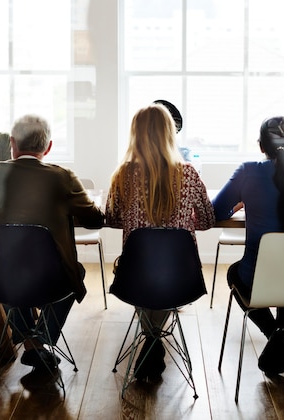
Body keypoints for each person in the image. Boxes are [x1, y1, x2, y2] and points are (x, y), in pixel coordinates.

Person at [0, 114, 104, 370]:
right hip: (49, 281)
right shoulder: (62, 177)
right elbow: (95, 220)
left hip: (0, 278)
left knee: (10, 271)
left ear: (13, 144)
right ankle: (39, 340)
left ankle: (30, 341)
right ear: (48, 147)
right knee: (76, 273)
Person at [106, 103, 215, 381]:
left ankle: (151, 342)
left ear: (135, 134)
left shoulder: (123, 174)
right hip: (181, 273)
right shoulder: (189, 173)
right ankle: (153, 344)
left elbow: (112, 219)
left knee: (142, 271)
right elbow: (206, 221)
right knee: (164, 276)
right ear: (170, 134)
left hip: (135, 272)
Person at [212, 116, 284, 376]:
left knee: (234, 273)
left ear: (262, 146)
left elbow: (216, 211)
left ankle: (275, 335)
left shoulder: (249, 171)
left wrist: (241, 202)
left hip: (260, 277)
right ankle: (280, 333)